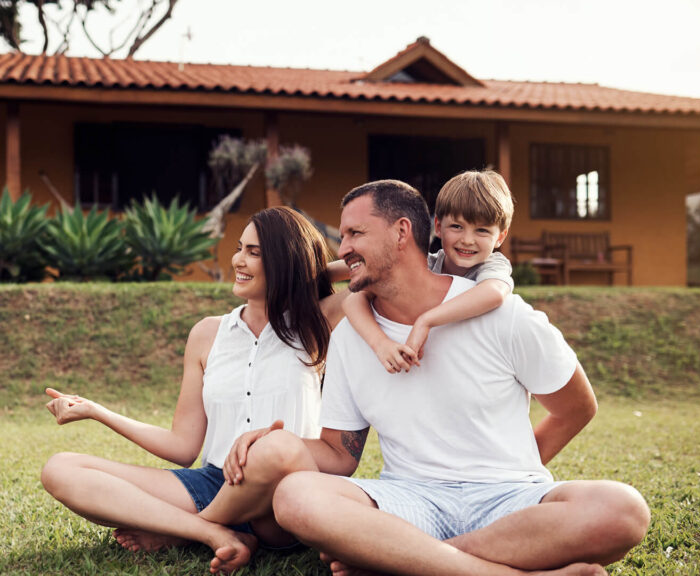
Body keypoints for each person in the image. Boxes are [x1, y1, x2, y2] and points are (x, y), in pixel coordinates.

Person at [224, 180, 650, 576]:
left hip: (508, 497)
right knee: (296, 497)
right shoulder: (354, 334)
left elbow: (577, 405)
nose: (345, 247)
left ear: (401, 232)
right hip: (410, 499)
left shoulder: (503, 312)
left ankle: (404, 557)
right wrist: (274, 444)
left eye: (355, 234)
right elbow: (339, 453)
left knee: (624, 510)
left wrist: (517, 466)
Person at [40, 206, 348, 574]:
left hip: (280, 494)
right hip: (213, 482)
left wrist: (305, 274)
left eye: (255, 252)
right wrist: (96, 411)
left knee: (273, 450)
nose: (238, 260)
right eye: (239, 248)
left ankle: (181, 531)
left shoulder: (318, 321)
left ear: (285, 262)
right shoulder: (207, 333)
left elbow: (371, 273)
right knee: (60, 469)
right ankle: (210, 532)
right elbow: (183, 447)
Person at [343, 170, 514, 373]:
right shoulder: (431, 263)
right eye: (457, 226)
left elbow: (494, 293)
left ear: (501, 237)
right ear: (438, 227)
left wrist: (426, 321)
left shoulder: (493, 265)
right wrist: (381, 344)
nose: (468, 239)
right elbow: (352, 300)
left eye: (482, 230)